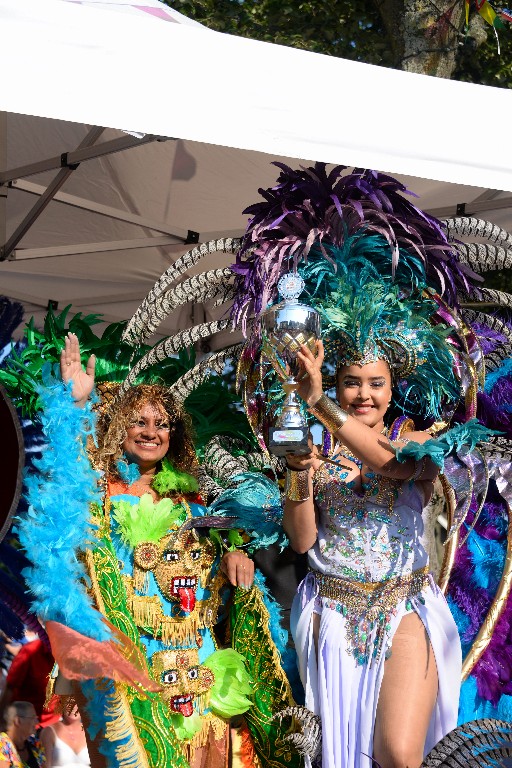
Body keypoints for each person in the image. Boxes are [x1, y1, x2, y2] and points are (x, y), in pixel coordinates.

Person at [283, 339, 462, 768]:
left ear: (392, 387)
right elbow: (302, 540)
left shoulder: (420, 441)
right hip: (333, 611)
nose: (364, 394)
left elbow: (389, 464)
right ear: (337, 384)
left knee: (398, 753)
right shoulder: (313, 449)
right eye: (351, 383)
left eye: (376, 383)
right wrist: (296, 472)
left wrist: (318, 403)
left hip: (405, 605)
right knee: (344, 754)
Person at [0, 701, 46, 768]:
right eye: (33, 718)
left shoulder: (34, 743)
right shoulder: (2, 745)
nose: (37, 722)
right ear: (17, 721)